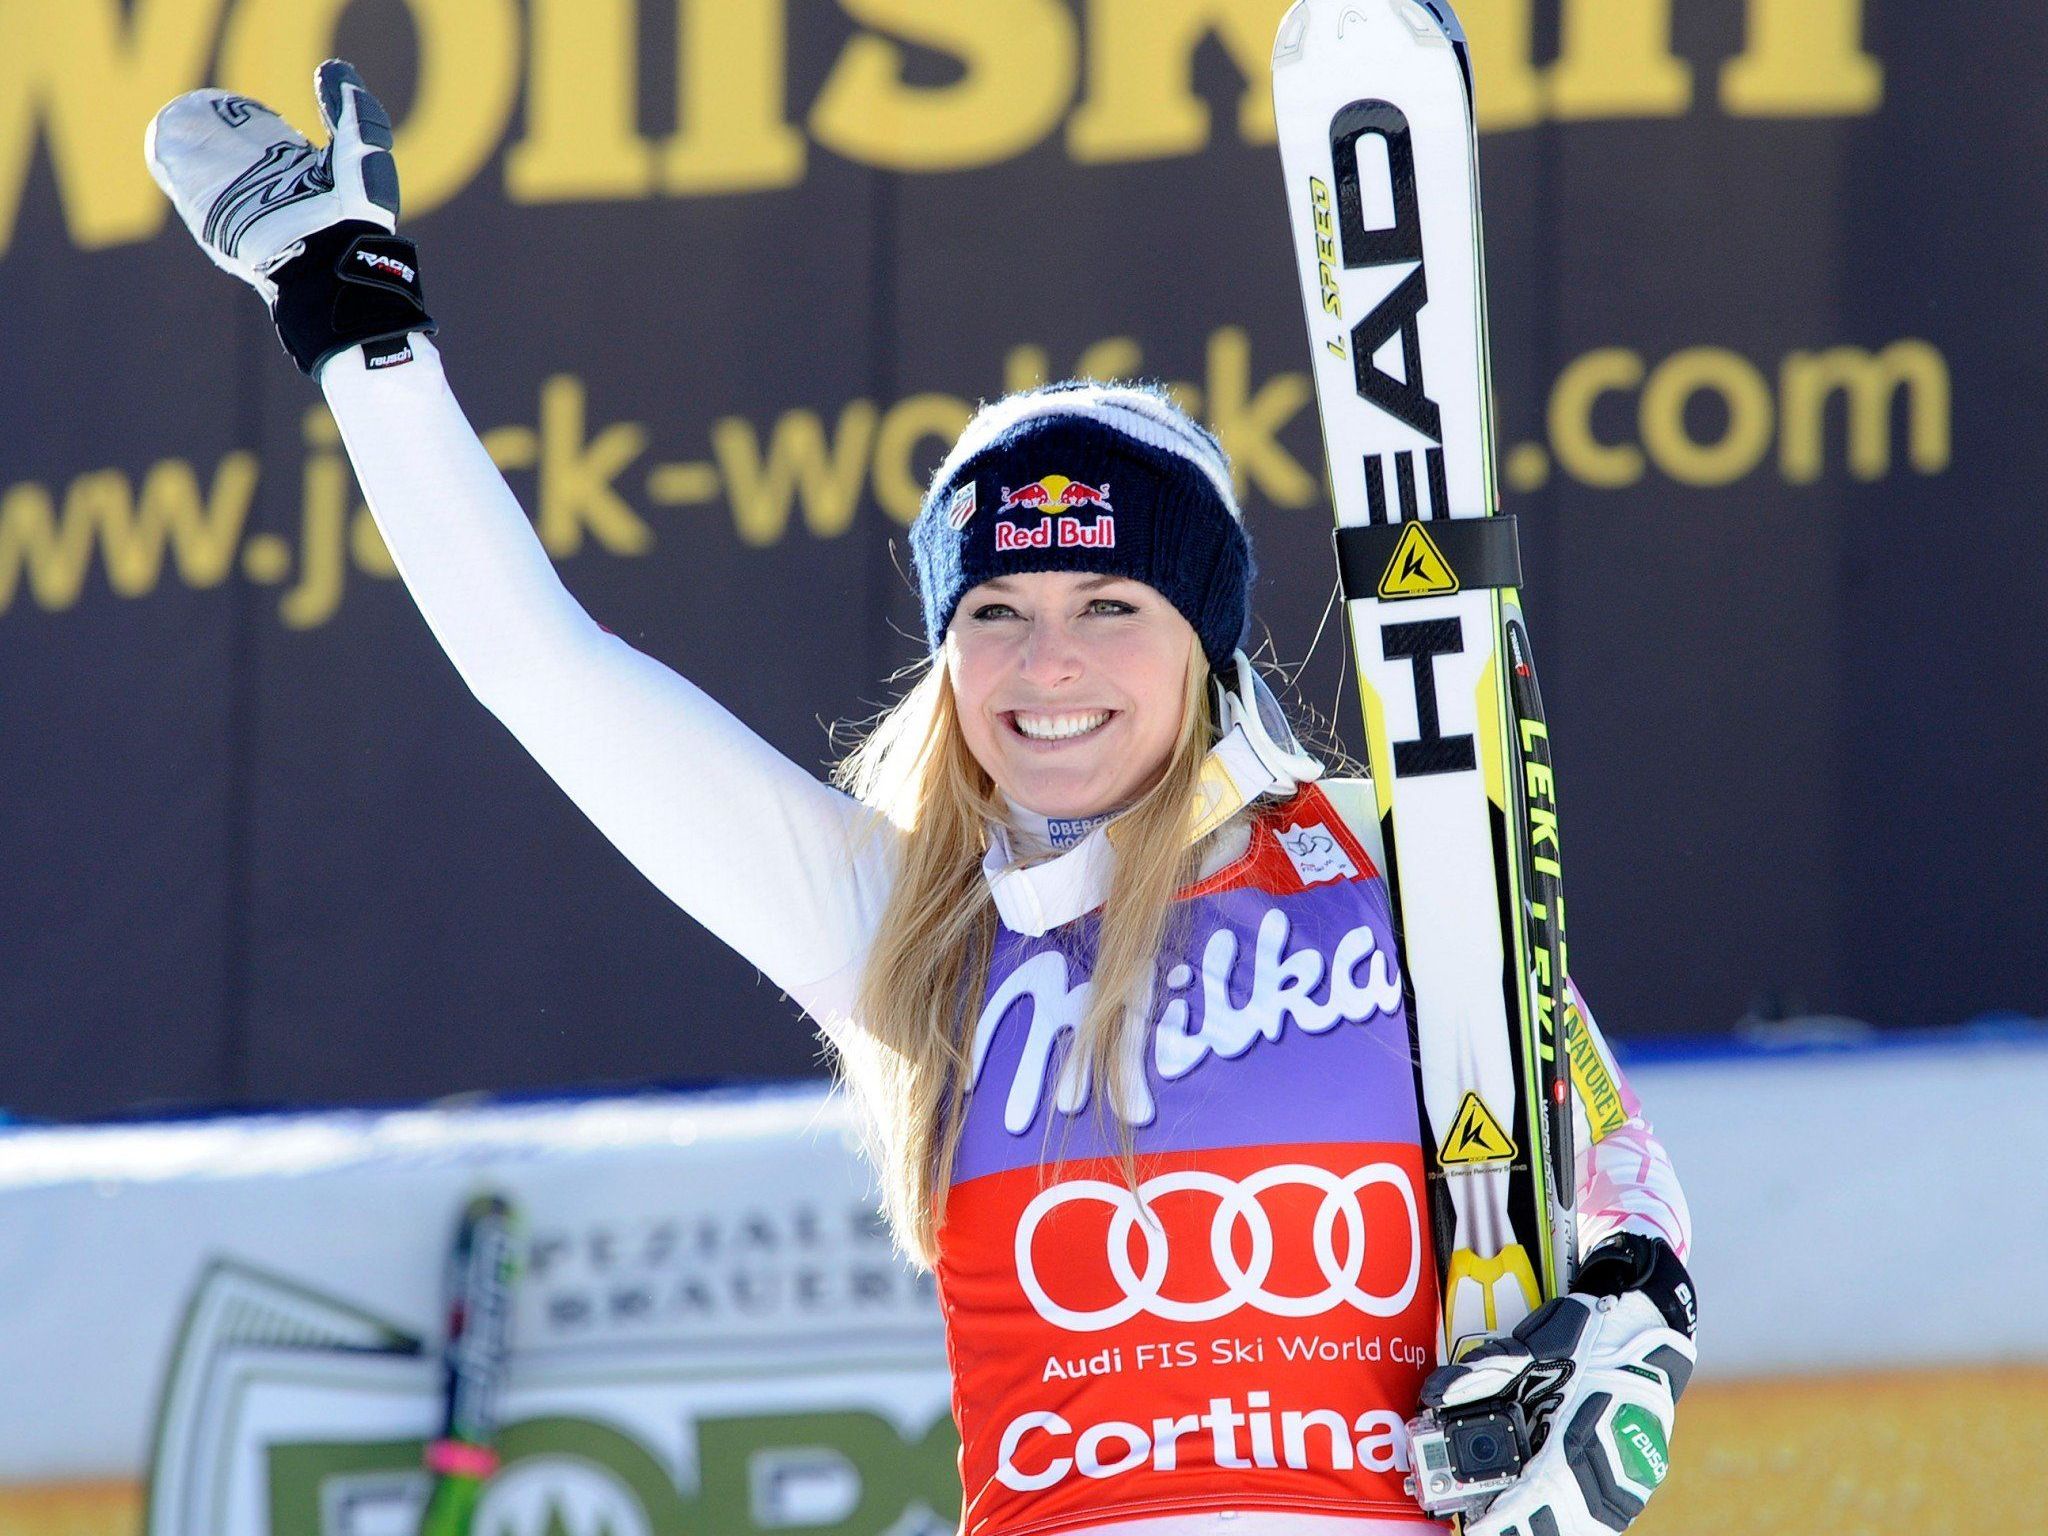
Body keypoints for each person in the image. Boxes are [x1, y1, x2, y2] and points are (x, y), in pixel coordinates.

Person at [145, 64, 1697, 1536]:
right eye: (995, 614)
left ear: (1207, 643)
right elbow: (544, 675)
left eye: (1112, 605)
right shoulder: (916, 937)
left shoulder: (1389, 860)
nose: (1048, 664)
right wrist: (365, 339)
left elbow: (1626, 1206)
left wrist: (1618, 1346)